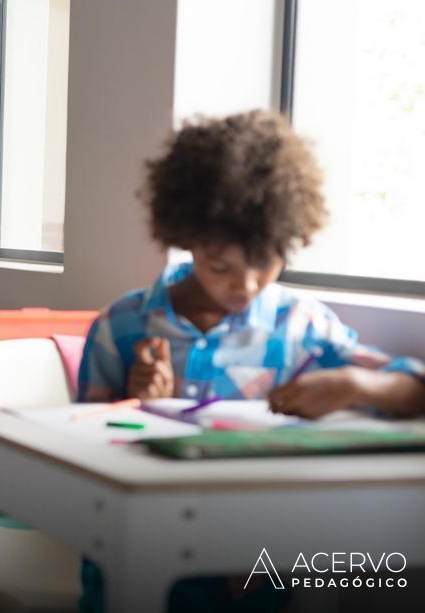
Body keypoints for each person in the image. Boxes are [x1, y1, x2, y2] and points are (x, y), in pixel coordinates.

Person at [77, 110, 425, 612]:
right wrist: (131, 407)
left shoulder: (303, 327)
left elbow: (414, 386)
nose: (244, 286)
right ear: (188, 238)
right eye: (221, 267)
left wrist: (355, 385)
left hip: (259, 576)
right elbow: (77, 458)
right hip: (134, 567)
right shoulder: (122, 326)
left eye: (265, 264)